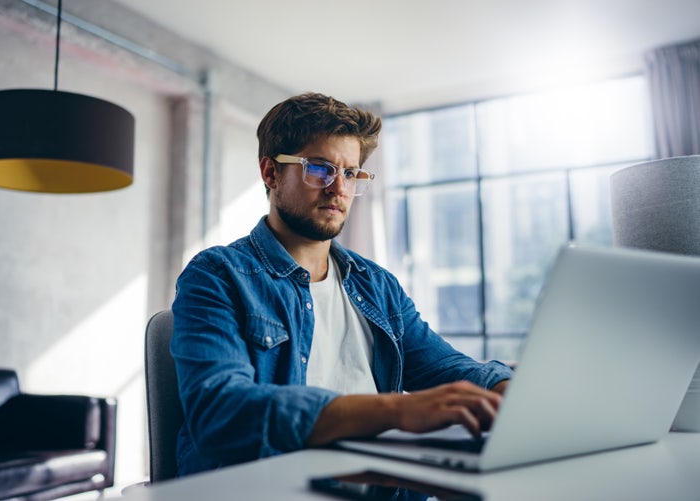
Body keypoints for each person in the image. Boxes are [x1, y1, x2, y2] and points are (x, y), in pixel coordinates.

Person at [171, 92, 513, 475]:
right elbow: (221, 412)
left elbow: (445, 367)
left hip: (383, 487)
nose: (338, 188)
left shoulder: (376, 285)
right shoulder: (217, 275)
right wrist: (396, 410)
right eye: (319, 168)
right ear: (270, 173)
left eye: (350, 173)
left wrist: (505, 391)